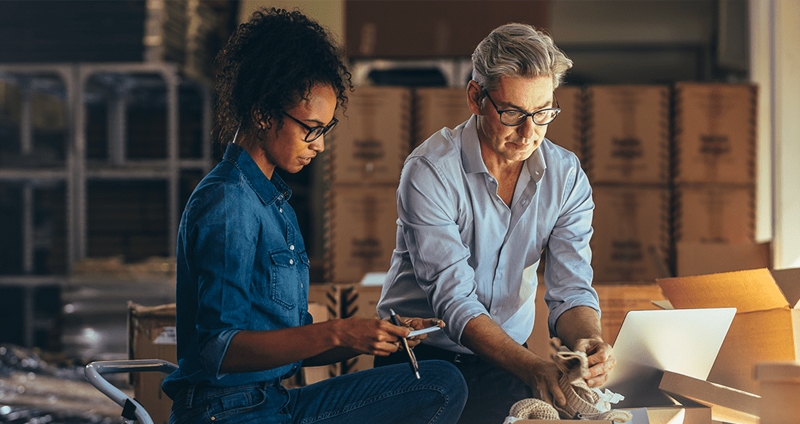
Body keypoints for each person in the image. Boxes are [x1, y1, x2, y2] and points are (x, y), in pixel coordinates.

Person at [161, 8, 467, 424]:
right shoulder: (229, 202)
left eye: (325, 130)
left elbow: (297, 342)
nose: (319, 146)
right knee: (439, 387)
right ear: (263, 113)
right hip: (228, 413)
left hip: (273, 401)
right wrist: (340, 331)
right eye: (311, 128)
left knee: (439, 382)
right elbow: (220, 348)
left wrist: (372, 336)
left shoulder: (274, 202)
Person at [375, 23, 614, 424]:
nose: (528, 133)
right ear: (475, 97)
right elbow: (453, 301)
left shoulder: (566, 176)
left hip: (508, 361)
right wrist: (533, 367)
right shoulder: (430, 171)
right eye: (513, 113)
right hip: (419, 359)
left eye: (543, 114)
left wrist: (588, 341)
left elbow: (571, 289)